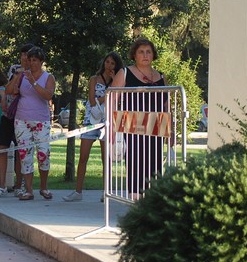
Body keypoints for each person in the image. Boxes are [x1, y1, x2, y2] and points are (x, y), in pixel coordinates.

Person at [63, 52, 123, 202]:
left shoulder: (117, 81)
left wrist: (115, 82)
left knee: (106, 159)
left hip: (107, 123)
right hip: (91, 122)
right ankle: (78, 192)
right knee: (83, 157)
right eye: (107, 62)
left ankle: (106, 192)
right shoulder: (94, 80)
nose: (109, 66)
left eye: (112, 64)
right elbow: (91, 101)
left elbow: (119, 98)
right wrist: (108, 94)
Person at [111, 38, 166, 199]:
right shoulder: (125, 73)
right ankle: (135, 198)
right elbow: (112, 99)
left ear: (153, 55)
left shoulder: (161, 76)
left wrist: (172, 129)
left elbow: (166, 104)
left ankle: (153, 197)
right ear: (134, 55)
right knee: (135, 161)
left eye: (148, 51)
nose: (145, 55)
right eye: (141, 51)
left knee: (155, 161)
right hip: (133, 123)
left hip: (157, 125)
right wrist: (112, 125)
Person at [11, 46, 56, 201]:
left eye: (35, 60)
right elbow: (10, 91)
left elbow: (48, 95)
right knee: (25, 155)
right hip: (22, 119)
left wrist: (34, 82)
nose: (32, 63)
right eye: (30, 60)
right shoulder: (23, 75)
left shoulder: (48, 77)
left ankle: (44, 187)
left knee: (43, 153)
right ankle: (29, 190)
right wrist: (18, 76)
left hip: (41, 120)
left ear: (41, 62)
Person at [0, 43, 34, 198]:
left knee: (20, 149)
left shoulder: (34, 73)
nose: (24, 58)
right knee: (2, 147)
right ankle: (2, 184)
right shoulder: (14, 68)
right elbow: (9, 88)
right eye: (22, 54)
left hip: (22, 116)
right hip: (8, 114)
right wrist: (17, 76)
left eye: (27, 55)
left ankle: (20, 184)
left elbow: (21, 91)